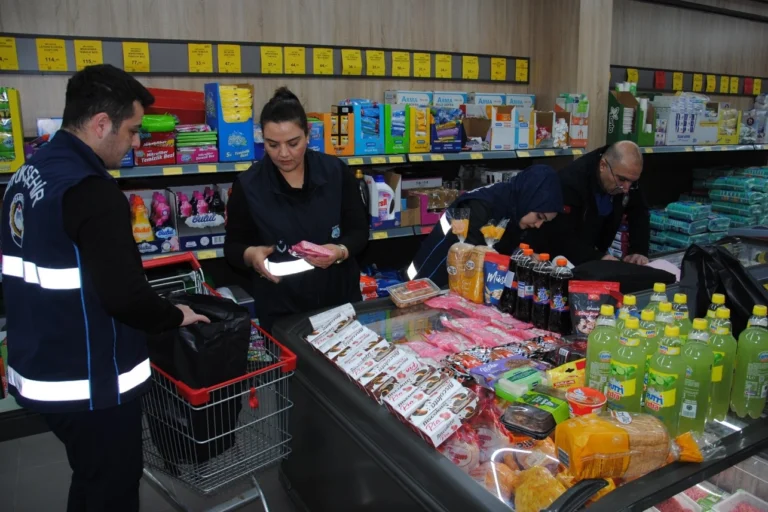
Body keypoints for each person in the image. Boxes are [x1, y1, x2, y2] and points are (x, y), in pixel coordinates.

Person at [0, 65, 209, 512]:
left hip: (39, 364)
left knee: (92, 479)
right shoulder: (92, 191)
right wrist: (174, 315)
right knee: (110, 489)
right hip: (88, 381)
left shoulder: (28, 174)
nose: (136, 143)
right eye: (133, 130)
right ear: (100, 124)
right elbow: (124, 295)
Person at [224, 87, 369, 331]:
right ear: (262, 139)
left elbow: (359, 231)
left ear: (308, 134)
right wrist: (251, 256)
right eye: (272, 144)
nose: (283, 154)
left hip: (339, 301)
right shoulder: (249, 185)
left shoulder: (335, 172)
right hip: (282, 309)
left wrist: (340, 251)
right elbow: (233, 246)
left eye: (293, 143)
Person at [407, 164, 564, 287]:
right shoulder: (479, 207)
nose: (538, 225)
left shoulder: (514, 207)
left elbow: (499, 249)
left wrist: (523, 258)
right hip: (427, 283)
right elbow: (469, 260)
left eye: (544, 221)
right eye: (539, 217)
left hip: (456, 286)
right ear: (528, 197)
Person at [528, 141, 650, 265]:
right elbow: (560, 237)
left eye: (632, 182)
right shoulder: (571, 182)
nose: (626, 188)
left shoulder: (625, 173)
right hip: (559, 257)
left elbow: (639, 210)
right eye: (622, 180)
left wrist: (639, 250)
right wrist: (597, 257)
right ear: (603, 166)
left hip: (596, 245)